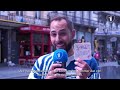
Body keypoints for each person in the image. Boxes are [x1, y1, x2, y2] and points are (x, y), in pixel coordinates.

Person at [28, 16, 100, 79]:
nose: (57, 39)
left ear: (72, 34)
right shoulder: (41, 62)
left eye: (63, 33)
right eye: (53, 34)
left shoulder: (89, 63)